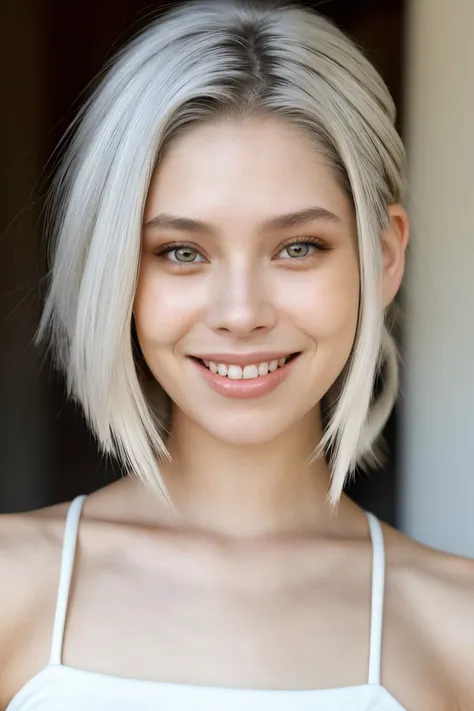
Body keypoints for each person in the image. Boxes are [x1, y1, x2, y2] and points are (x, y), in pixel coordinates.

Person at [1, 0, 473, 709]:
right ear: (117, 270)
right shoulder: (11, 585)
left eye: (297, 247)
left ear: (382, 257)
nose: (242, 313)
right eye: (182, 252)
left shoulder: (457, 625)